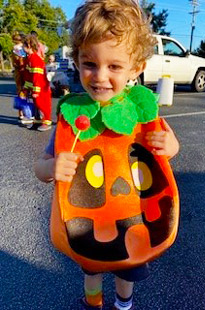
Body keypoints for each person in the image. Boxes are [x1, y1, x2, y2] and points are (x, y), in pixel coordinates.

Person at [34, 1, 180, 309]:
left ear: (136, 67)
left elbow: (171, 148)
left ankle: (123, 304)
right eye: (90, 63)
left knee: (129, 266)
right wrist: (53, 166)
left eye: (114, 66)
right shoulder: (73, 116)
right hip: (90, 220)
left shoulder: (143, 112)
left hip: (135, 214)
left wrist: (169, 147)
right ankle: (94, 304)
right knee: (92, 266)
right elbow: (41, 167)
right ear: (76, 60)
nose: (100, 76)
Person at [23, 34, 52, 131]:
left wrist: (35, 91)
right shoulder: (29, 58)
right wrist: (26, 88)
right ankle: (37, 121)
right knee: (36, 106)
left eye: (24, 45)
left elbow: (37, 77)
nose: (22, 47)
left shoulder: (35, 59)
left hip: (41, 88)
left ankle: (46, 122)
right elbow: (28, 75)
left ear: (29, 45)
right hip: (36, 88)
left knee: (43, 105)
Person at [11, 32, 27, 123]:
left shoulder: (16, 48)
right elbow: (20, 62)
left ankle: (21, 112)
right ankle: (23, 112)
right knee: (23, 91)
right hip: (22, 71)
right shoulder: (18, 49)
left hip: (19, 71)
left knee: (21, 91)